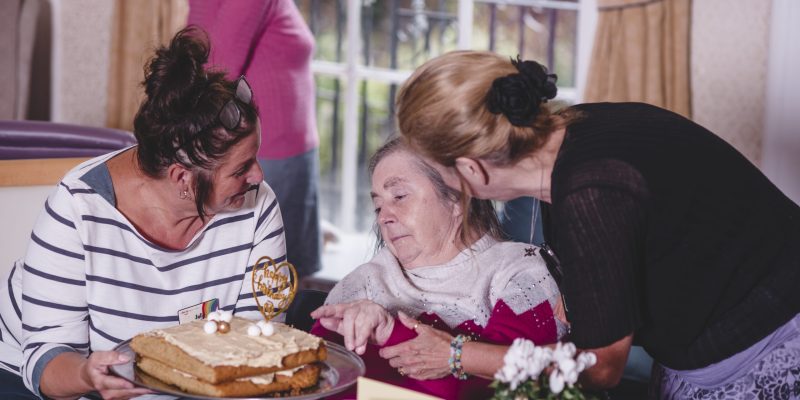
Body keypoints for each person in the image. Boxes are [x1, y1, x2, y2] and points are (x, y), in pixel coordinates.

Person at [394, 50, 800, 398]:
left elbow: (601, 367)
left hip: (768, 337)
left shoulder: (592, 193)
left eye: (436, 171)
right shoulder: (577, 129)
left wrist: (455, 354)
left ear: (471, 169)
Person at [0, 27, 288, 399]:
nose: (258, 176)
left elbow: (255, 343)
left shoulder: (257, 205)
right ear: (182, 178)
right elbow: (47, 362)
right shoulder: (78, 209)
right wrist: (89, 376)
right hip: (37, 379)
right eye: (241, 168)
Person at [309, 138, 567, 399]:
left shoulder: (523, 275)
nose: (384, 216)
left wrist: (390, 332)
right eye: (378, 206)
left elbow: (503, 391)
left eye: (399, 196)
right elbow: (309, 379)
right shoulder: (363, 282)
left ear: (456, 197)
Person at [188, 0, 322, 278]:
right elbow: (217, 70)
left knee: (279, 274)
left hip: (281, 148)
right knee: (278, 278)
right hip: (269, 151)